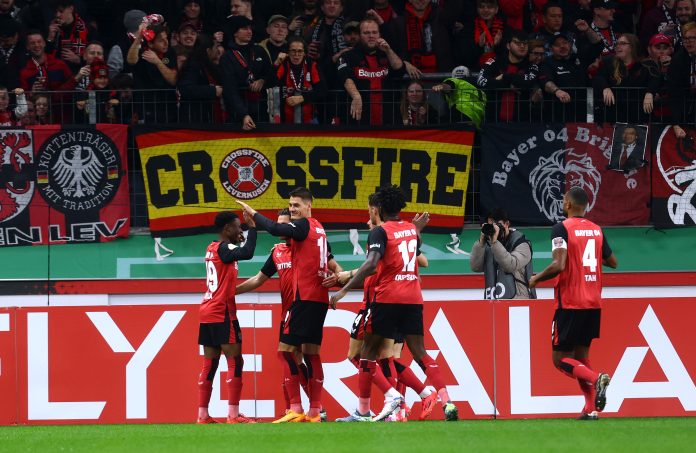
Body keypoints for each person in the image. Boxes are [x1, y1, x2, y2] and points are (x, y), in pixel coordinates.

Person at [330, 185, 459, 422]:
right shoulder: (410, 229)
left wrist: (343, 290)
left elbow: (370, 265)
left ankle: (379, 403)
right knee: (420, 353)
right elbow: (414, 255)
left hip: (388, 299)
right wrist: (417, 231)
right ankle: (447, 401)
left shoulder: (379, 232)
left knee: (367, 353)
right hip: (413, 299)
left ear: (378, 208)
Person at [236, 187, 337, 423]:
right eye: (290, 206)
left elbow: (274, 228)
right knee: (311, 354)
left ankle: (295, 408)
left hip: (303, 299)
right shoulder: (318, 230)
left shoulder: (303, 226)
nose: (293, 210)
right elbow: (260, 277)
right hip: (316, 299)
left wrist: (252, 212)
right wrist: (233, 292)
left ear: (308, 205)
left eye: (296, 206)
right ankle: (315, 411)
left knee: (285, 353)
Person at [529, 187, 618, 421]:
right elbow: (613, 261)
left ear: (568, 204)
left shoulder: (561, 228)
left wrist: (536, 279)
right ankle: (590, 408)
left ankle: (596, 377)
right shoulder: (597, 230)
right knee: (581, 355)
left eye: (563, 200)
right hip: (593, 302)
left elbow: (558, 265)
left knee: (559, 360)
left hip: (570, 302)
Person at [196, 211, 258, 424]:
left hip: (207, 310)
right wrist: (253, 228)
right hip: (222, 312)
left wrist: (246, 232)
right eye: (237, 227)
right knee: (235, 361)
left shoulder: (211, 247)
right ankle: (233, 415)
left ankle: (202, 415)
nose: (240, 230)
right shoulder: (225, 248)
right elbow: (248, 252)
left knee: (210, 364)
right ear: (226, 229)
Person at [337, 18, 405, 125]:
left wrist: (388, 51)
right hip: (359, 120)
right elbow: (345, 77)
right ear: (359, 35)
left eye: (374, 32)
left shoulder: (387, 54)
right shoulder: (348, 56)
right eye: (366, 33)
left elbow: (400, 70)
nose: (371, 36)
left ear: (379, 34)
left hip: (389, 120)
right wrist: (356, 96)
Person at [593, 33, 662, 124]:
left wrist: (650, 92)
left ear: (632, 47)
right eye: (617, 44)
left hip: (640, 119)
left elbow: (656, 79)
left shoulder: (646, 65)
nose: (618, 46)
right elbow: (598, 77)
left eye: (622, 43)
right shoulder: (609, 63)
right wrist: (605, 88)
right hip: (615, 119)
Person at [219, 15, 272, 130]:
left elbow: (271, 73)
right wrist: (243, 114)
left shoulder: (259, 50)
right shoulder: (227, 57)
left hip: (261, 110)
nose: (249, 31)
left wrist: (263, 80)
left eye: (250, 28)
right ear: (235, 33)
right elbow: (230, 89)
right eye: (244, 28)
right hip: (237, 115)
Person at [538, 29, 603, 121]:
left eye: (564, 42)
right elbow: (545, 82)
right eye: (557, 44)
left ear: (570, 44)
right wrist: (557, 91)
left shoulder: (580, 58)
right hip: (559, 115)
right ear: (551, 49)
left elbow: (599, 46)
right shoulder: (547, 63)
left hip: (585, 112)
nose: (562, 46)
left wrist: (588, 30)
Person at [470, 208, 535, 300]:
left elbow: (510, 265)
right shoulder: (489, 244)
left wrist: (495, 243)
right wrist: (481, 242)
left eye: (497, 225)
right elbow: (475, 267)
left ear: (507, 224)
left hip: (518, 301)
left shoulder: (521, 244)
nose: (495, 229)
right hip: (492, 302)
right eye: (491, 225)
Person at [476, 30, 539, 123]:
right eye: (517, 43)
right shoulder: (494, 61)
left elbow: (528, 82)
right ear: (508, 45)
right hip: (493, 123)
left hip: (522, 124)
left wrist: (504, 77)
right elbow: (480, 80)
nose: (522, 46)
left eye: (525, 44)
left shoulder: (532, 66)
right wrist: (509, 86)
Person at [273, 37, 326, 124]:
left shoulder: (311, 65)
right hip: (285, 121)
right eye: (293, 51)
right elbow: (270, 83)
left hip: (310, 119)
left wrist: (303, 98)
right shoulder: (283, 65)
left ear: (304, 53)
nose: (296, 54)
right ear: (288, 52)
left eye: (300, 51)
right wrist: (276, 63)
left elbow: (322, 90)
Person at [178, 33, 226, 124]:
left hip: (206, 116)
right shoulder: (193, 65)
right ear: (208, 51)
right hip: (194, 119)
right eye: (216, 47)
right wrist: (213, 90)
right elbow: (186, 88)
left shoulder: (206, 65)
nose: (217, 51)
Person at [668, 21, 696, 138]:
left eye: (692, 38)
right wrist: (676, 124)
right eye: (685, 39)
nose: (688, 42)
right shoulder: (678, 60)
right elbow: (675, 92)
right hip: (687, 110)